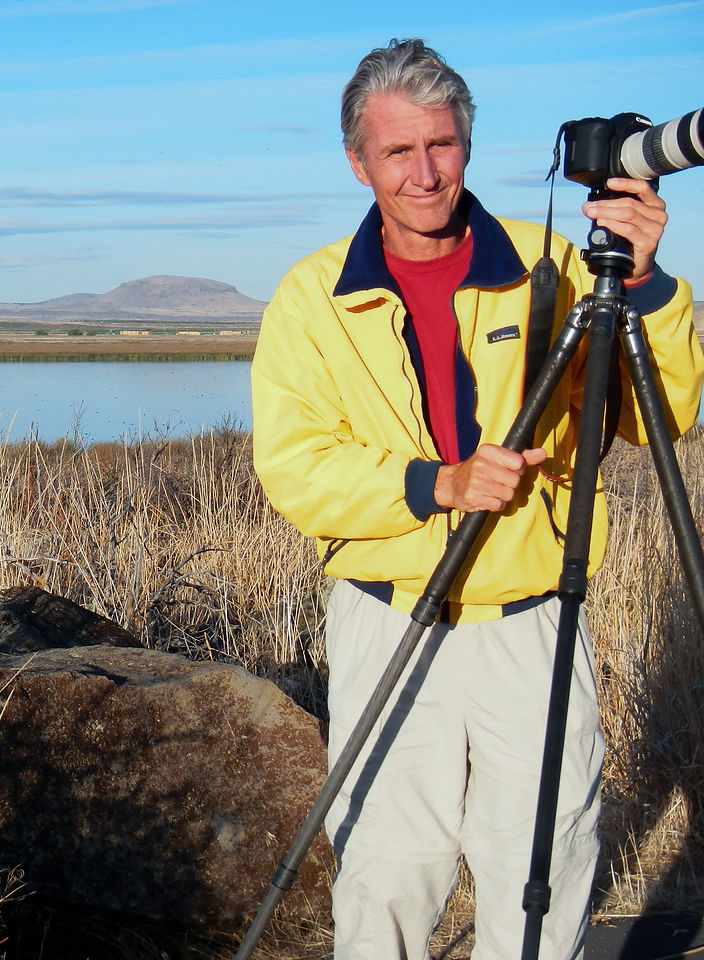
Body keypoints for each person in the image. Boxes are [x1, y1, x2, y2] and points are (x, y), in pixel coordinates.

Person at [250, 38, 704, 960]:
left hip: (536, 614)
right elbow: (294, 466)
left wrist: (647, 281)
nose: (425, 173)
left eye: (443, 145)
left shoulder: (557, 268)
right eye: (398, 153)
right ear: (358, 162)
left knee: (543, 861)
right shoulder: (312, 298)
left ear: (468, 142)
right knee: (386, 873)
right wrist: (435, 486)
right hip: (387, 615)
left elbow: (664, 412)